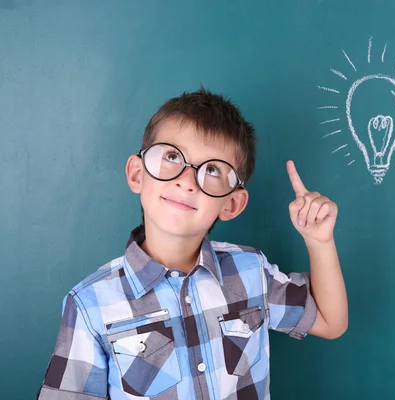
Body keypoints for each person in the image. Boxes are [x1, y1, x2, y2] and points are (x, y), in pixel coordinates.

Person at [36, 87, 348, 399]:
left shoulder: (251, 272)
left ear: (232, 205)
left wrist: (319, 241)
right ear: (136, 174)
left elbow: (330, 321)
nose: (186, 181)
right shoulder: (91, 304)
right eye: (171, 156)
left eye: (212, 170)